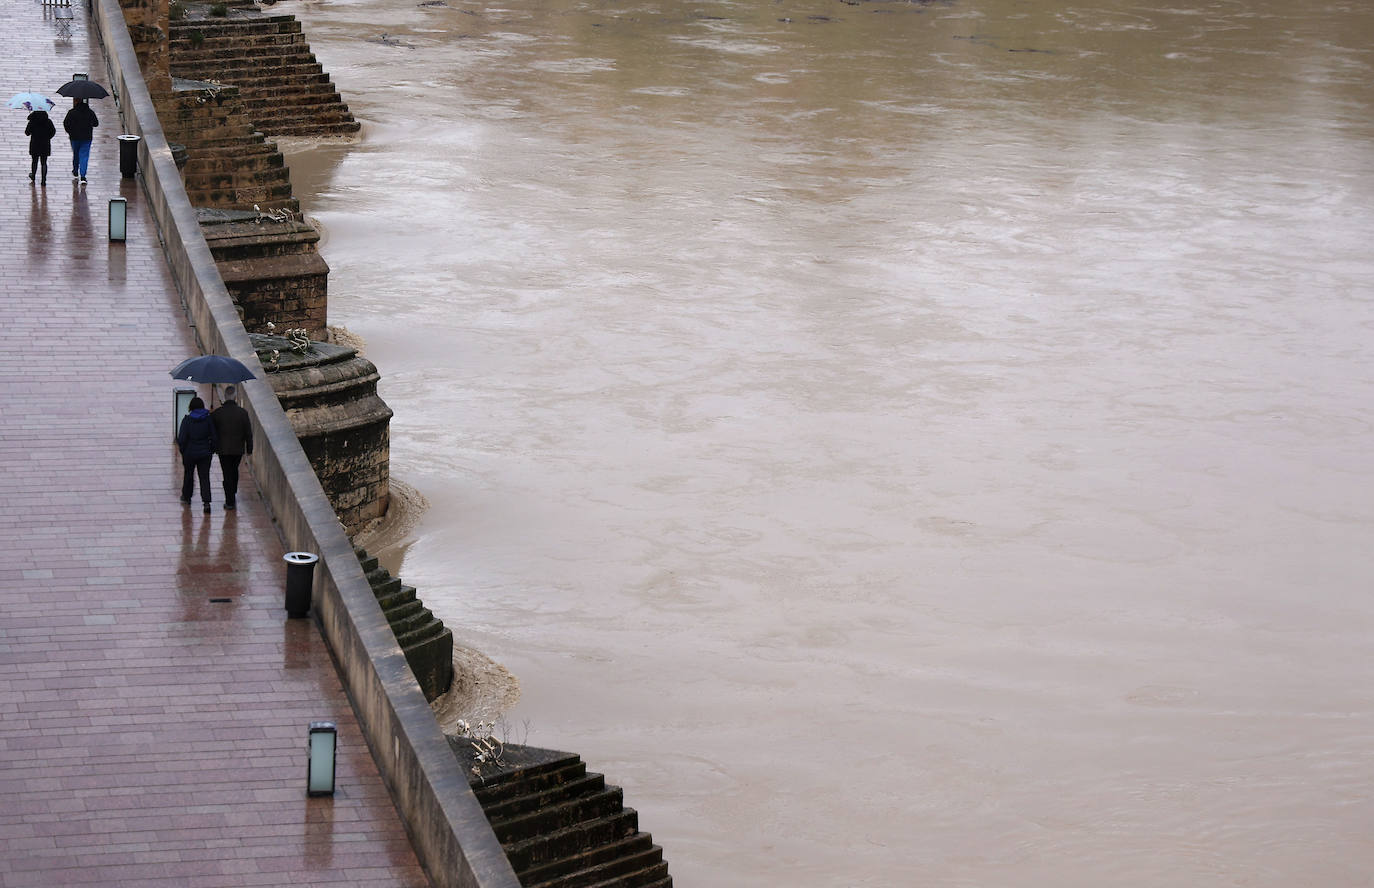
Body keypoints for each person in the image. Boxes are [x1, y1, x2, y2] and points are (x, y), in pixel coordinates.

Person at [211, 385, 254, 511]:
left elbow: (212, 431)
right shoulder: (243, 413)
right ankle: (232, 492)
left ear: (225, 397)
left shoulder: (218, 414)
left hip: (223, 450)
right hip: (237, 450)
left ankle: (229, 500)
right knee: (234, 470)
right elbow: (248, 433)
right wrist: (249, 449)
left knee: (227, 473)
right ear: (235, 397)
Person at [177, 396, 218, 513]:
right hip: (205, 453)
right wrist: (211, 450)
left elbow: (182, 439)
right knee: (204, 477)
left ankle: (187, 496)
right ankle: (206, 502)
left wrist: (183, 451)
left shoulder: (187, 420)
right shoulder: (208, 420)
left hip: (189, 453)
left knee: (188, 475)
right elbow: (214, 437)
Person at [62, 98, 98, 184]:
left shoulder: (71, 112)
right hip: (87, 138)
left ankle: (75, 169)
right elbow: (96, 123)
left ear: (76, 102)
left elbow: (66, 123)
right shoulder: (90, 112)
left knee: (76, 153)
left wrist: (70, 132)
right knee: (84, 156)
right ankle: (83, 176)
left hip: (74, 137)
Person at [24, 109, 56, 186]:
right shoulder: (48, 121)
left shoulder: (32, 121)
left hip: (35, 143)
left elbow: (27, 133)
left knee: (34, 161)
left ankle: (33, 176)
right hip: (45, 144)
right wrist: (48, 137)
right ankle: (43, 180)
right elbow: (53, 131)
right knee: (44, 162)